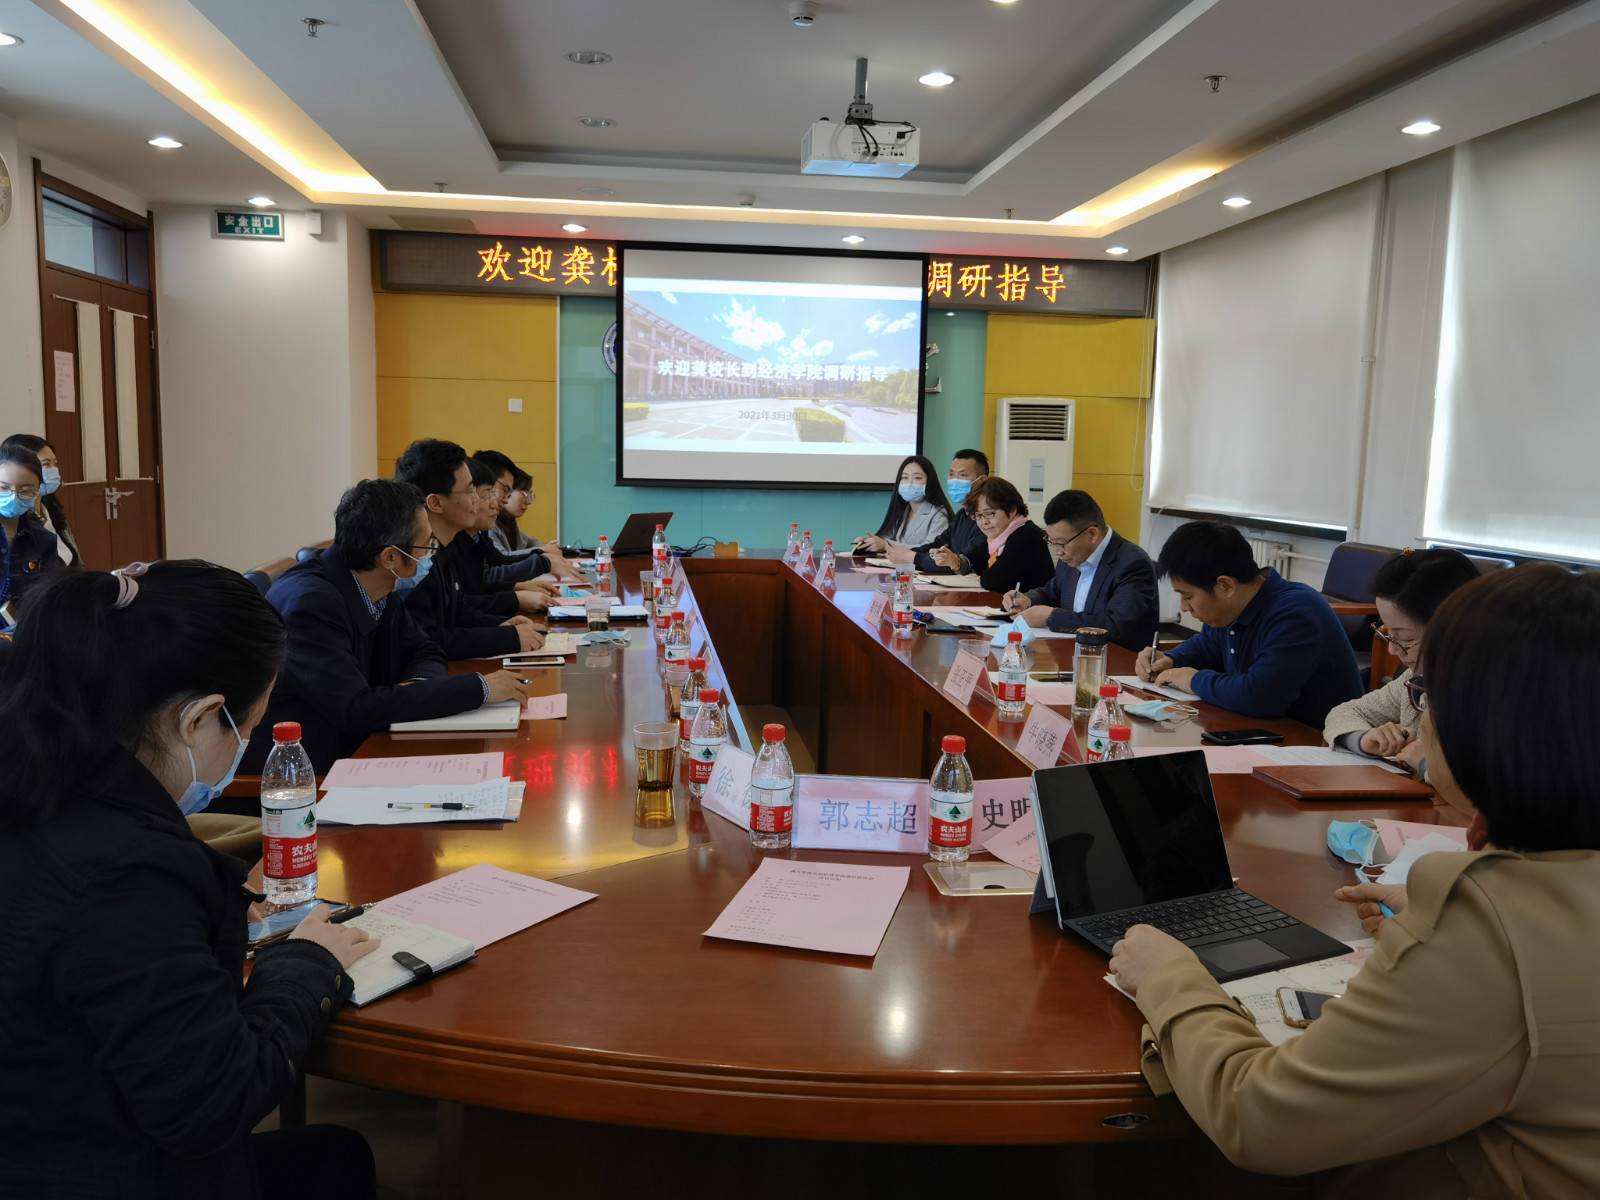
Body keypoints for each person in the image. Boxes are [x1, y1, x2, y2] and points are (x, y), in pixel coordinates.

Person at [1108, 565, 1600, 1198]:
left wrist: (1171, 976)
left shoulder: (1491, 925)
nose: (1422, 716)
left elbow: (1262, 1120)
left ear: (1488, 727)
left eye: (1433, 694)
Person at [0, 560, 381, 1198]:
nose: (243, 748)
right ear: (200, 719)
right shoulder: (128, 874)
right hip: (88, 1167)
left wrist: (216, 897)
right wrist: (309, 961)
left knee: (333, 1155)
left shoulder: (39, 775)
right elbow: (212, 1102)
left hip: (44, 1123)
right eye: (249, 729)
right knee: (337, 1162)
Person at [242, 478, 530, 775]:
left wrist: (418, 689)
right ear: (390, 557)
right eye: (427, 545)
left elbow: (425, 649)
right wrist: (479, 688)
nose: (432, 553)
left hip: (362, 746)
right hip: (306, 774)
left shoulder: (374, 581)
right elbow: (356, 709)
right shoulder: (311, 605)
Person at [1138, 520, 1361, 726]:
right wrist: (1170, 659)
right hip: (1261, 729)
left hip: (1316, 739)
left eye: (1188, 596)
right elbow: (1206, 646)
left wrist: (1194, 680)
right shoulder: (1231, 610)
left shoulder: (1295, 612)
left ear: (1226, 586)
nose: (1184, 607)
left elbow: (1261, 696)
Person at [1323, 548, 1479, 771]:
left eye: (1406, 638)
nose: (1393, 650)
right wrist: (1364, 738)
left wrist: (1428, 766)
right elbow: (1344, 712)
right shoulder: (1415, 679)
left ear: (1454, 629)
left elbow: (1493, 782)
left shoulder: (1490, 694)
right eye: (1388, 634)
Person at [392, 438, 543, 659]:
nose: (477, 500)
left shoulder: (443, 548)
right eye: (470, 491)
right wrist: (506, 637)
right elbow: (426, 640)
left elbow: (457, 609)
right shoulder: (414, 561)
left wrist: (501, 624)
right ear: (436, 503)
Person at [1003, 489, 1158, 648]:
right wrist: (1027, 600)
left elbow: (1115, 626)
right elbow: (1052, 592)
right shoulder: (1072, 558)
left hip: (1115, 658)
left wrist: (1051, 616)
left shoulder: (1133, 564)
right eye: (1052, 542)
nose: (1057, 552)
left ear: (1092, 534)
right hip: (1070, 653)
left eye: (1061, 543)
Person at [879, 449, 990, 573]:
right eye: (951, 474)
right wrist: (905, 554)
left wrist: (913, 557)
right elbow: (938, 543)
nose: (954, 480)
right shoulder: (962, 515)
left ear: (982, 480)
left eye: (963, 475)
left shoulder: (986, 520)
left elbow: (961, 562)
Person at [0, 442, 62, 624]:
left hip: (26, 631)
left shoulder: (44, 540)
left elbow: (49, 595)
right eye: (3, 488)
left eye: (25, 490)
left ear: (37, 491)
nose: (13, 496)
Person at [960, 476, 1054, 594]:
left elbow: (993, 580)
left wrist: (980, 578)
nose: (984, 522)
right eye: (978, 515)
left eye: (989, 514)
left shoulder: (1026, 535)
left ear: (1012, 510)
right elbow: (975, 562)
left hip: (1032, 604)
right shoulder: (998, 537)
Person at [1, 433, 78, 566]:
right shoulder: (18, 523)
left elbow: (74, 562)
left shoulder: (51, 515)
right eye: (46, 464)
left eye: (55, 464)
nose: (53, 470)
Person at [851, 455, 951, 552]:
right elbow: (884, 541)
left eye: (917, 478)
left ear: (930, 482)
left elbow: (933, 550)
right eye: (904, 477)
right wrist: (867, 544)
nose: (909, 483)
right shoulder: (902, 510)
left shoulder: (939, 514)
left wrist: (887, 545)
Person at [472, 449, 545, 560]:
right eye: (506, 490)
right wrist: (543, 556)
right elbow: (501, 560)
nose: (506, 500)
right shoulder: (487, 527)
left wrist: (544, 554)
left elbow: (498, 561)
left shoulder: (484, 532)